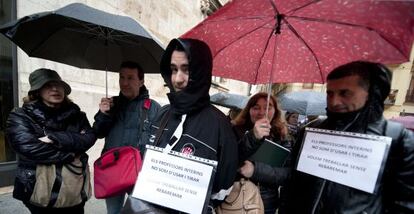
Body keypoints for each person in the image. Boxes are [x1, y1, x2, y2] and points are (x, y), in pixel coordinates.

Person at [281, 61, 414, 213]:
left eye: (345, 93)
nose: (334, 101)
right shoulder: (312, 129)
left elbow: (405, 205)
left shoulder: (400, 139)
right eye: (330, 93)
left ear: (369, 93)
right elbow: (292, 184)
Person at [148, 38, 238, 212]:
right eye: (173, 70)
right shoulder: (162, 113)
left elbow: (222, 190)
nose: (177, 79)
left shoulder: (220, 126)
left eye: (186, 70)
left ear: (201, 71)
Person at [6, 68, 96, 213]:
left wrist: (55, 138)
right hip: (40, 189)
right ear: (37, 91)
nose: (55, 88)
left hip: (73, 188)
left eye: (58, 84)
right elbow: (29, 148)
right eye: (47, 85)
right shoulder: (20, 116)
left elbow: (89, 138)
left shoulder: (77, 115)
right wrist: (71, 155)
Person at [93, 61, 160, 214]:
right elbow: (98, 132)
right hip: (112, 171)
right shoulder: (111, 105)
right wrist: (103, 114)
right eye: (121, 77)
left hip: (139, 174)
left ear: (141, 81)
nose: (124, 83)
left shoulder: (154, 108)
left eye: (130, 78)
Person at [232, 92, 292, 214]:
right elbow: (229, 159)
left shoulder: (282, 136)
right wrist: (253, 136)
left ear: (275, 111)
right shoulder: (234, 130)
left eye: (267, 107)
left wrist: (255, 170)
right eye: (256, 107)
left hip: (266, 203)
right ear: (248, 110)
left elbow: (287, 174)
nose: (261, 112)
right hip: (236, 198)